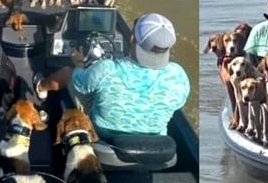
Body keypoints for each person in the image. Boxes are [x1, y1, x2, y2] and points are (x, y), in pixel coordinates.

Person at [35, 13, 190, 139]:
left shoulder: (107, 69)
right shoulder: (178, 77)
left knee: (70, 73)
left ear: (132, 39)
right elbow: (176, 104)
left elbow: (79, 85)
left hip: (103, 137)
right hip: (154, 143)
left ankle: (41, 86)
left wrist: (80, 64)